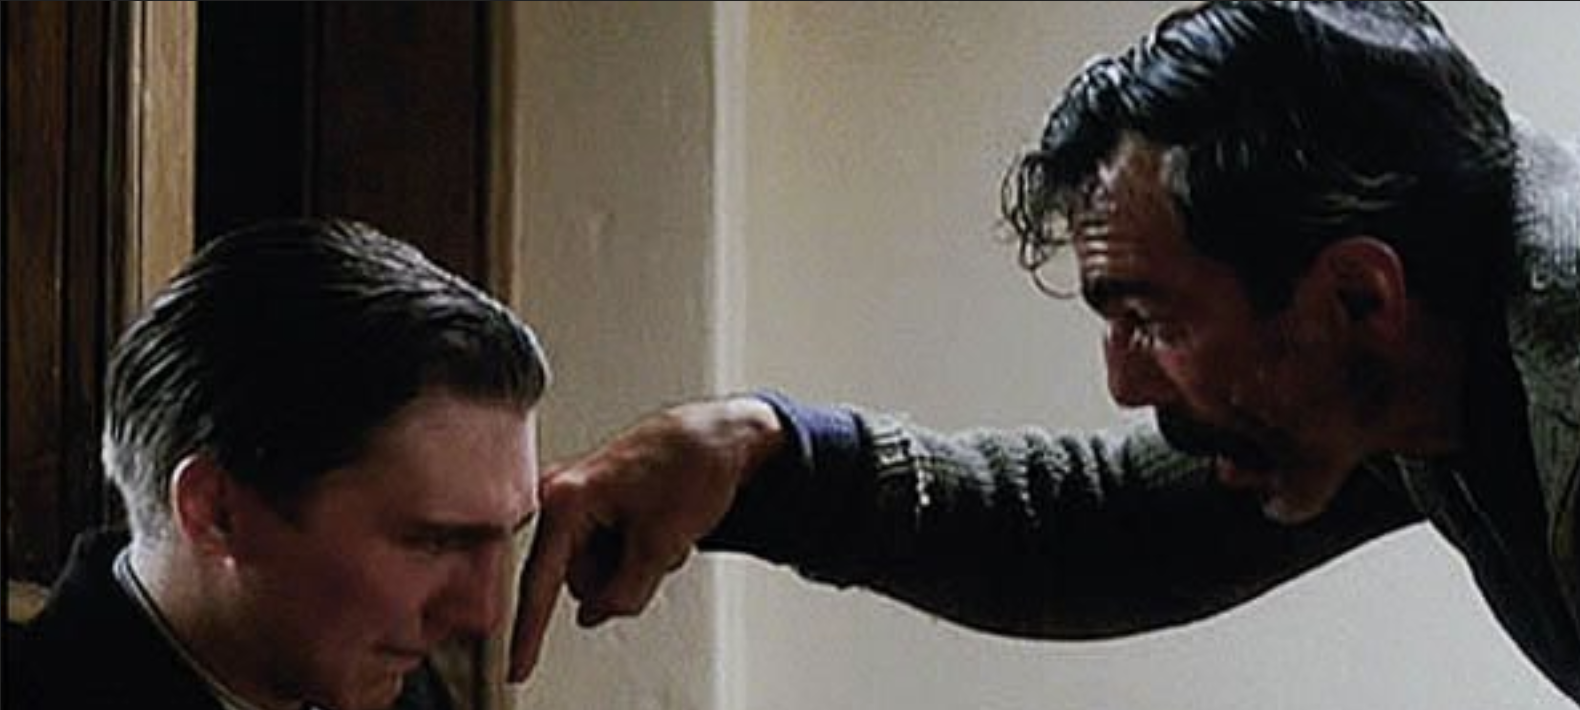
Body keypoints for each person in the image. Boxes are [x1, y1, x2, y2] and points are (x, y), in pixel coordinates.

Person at [506, 0, 1579, 702]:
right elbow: (1102, 529)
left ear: (1356, 294)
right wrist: (762, 458)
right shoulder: (1428, 333)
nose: (1124, 379)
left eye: (1155, 321)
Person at [11, 218, 550, 710]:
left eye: (511, 534)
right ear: (215, 511)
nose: (484, 614)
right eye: (433, 542)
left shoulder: (394, 684)